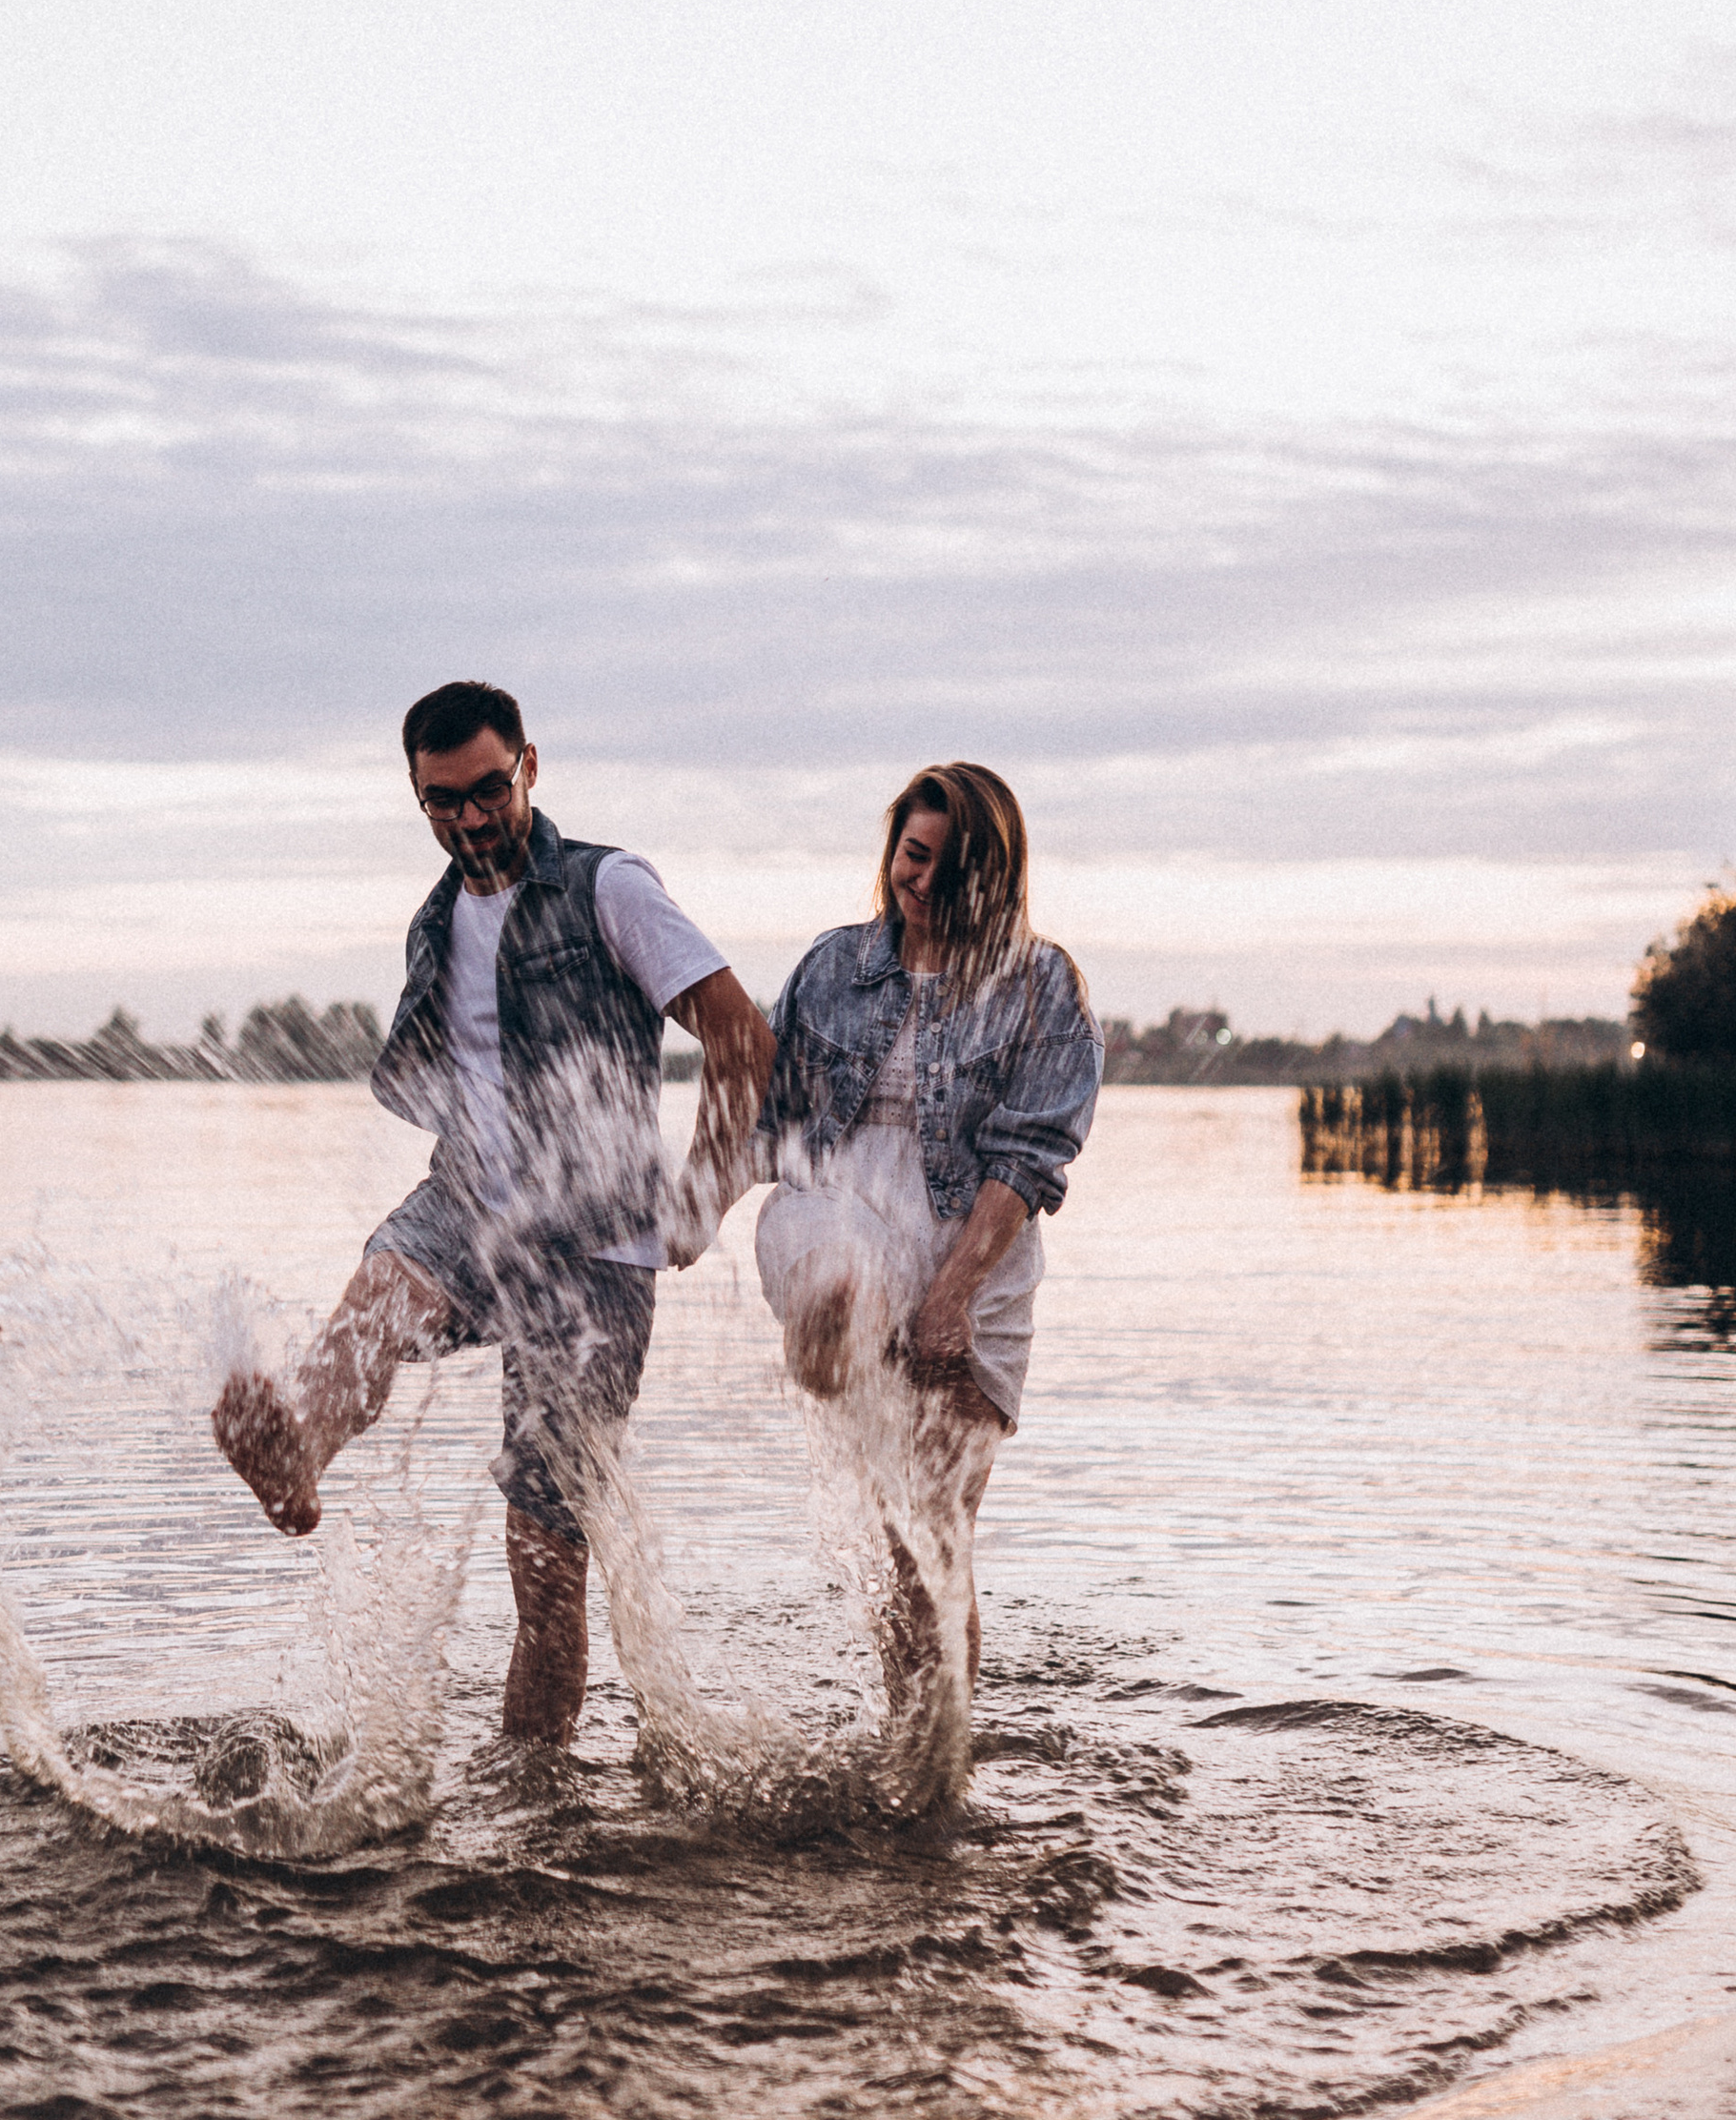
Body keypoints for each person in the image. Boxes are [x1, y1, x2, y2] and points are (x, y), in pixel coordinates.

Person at [213, 680, 774, 1743]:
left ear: (528, 766)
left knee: (543, 1570)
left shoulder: (612, 889)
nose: (468, 819)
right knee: (374, 1301)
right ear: (416, 797)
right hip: (469, 1203)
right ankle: (297, 1454)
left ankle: (535, 1799)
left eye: (486, 790)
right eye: (440, 802)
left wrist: (700, 1203)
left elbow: (743, 1038)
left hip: (596, 1254)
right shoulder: (433, 921)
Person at [752, 762, 1101, 1720]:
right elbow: (765, 1113)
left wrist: (950, 1293)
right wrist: (680, 1215)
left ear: (995, 876)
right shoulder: (831, 965)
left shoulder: (1039, 983)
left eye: (951, 870)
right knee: (839, 1293)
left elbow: (1029, 1157)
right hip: (843, 1217)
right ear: (892, 845)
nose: (924, 883)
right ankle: (833, 1331)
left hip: (974, 1259)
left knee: (936, 1523)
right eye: (914, 854)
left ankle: (934, 1756)